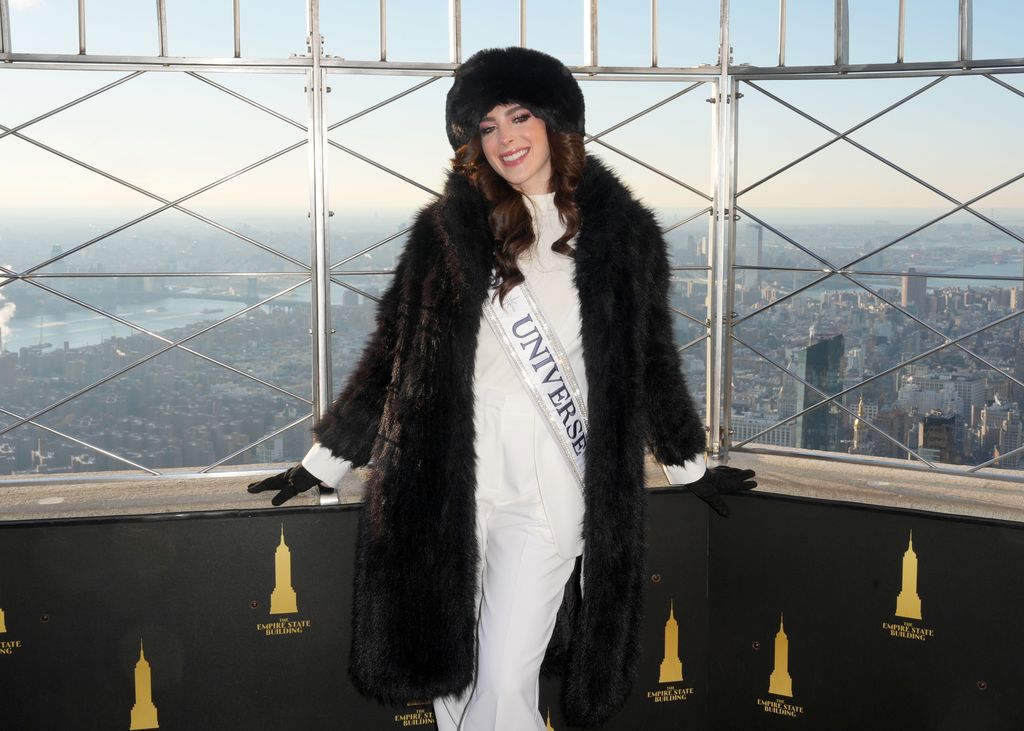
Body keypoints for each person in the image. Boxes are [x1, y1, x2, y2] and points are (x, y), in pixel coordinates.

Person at [247, 46, 756, 730]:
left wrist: (689, 463)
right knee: (451, 673)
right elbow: (394, 349)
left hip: (553, 481)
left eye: (519, 116)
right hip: (451, 477)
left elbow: (650, 358)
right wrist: (327, 459)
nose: (506, 138)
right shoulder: (449, 229)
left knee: (506, 681)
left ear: (555, 121)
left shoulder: (619, 232)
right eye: (487, 126)